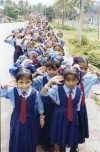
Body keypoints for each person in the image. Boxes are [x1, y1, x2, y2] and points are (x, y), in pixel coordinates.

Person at [0, 68, 45, 152]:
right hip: (17, 119)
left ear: (31, 82)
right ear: (16, 82)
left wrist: (42, 117)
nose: (24, 85)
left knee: (31, 137)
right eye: (21, 82)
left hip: (31, 119)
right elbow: (1, 93)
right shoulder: (12, 91)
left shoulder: (35, 92)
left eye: (27, 82)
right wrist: (4, 85)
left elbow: (40, 105)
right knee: (17, 135)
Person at [41, 66, 82, 152]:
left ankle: (67, 150)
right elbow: (43, 93)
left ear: (78, 80)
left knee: (69, 135)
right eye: (68, 80)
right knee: (57, 135)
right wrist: (50, 82)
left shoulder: (79, 91)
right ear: (64, 79)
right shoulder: (57, 89)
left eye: (74, 80)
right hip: (59, 118)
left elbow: (77, 107)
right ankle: (56, 150)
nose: (71, 83)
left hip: (72, 118)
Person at [70, 56, 100, 152]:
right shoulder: (69, 78)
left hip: (82, 107)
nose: (82, 70)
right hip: (69, 106)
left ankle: (74, 145)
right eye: (80, 68)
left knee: (79, 126)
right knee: (69, 125)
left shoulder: (89, 78)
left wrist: (97, 72)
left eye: (85, 68)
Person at [33, 59, 61, 152]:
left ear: (58, 69)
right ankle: (44, 142)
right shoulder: (41, 79)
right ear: (46, 69)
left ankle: (52, 142)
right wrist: (36, 73)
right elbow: (30, 82)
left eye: (54, 69)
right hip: (43, 105)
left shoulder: (61, 79)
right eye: (49, 69)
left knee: (53, 124)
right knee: (44, 124)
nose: (52, 72)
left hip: (56, 107)